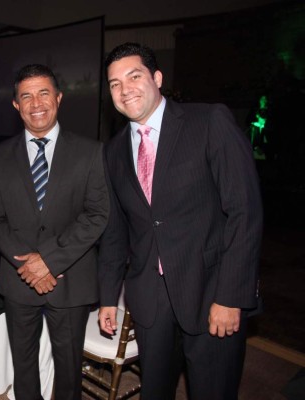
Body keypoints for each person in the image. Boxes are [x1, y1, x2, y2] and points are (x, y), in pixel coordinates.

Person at [98, 42, 263, 400]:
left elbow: (244, 211)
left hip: (210, 292)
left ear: (157, 78)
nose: (125, 90)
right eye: (114, 84)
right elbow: (116, 231)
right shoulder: (112, 151)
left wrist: (231, 296)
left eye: (134, 76)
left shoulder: (209, 122)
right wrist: (108, 296)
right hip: (150, 300)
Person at [0, 64, 109, 400]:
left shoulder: (91, 152)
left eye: (43, 93)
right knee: (23, 368)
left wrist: (49, 260)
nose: (36, 103)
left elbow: (97, 214)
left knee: (69, 370)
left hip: (70, 279)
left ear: (59, 97)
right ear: (16, 105)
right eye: (26, 96)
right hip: (19, 279)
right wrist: (29, 265)